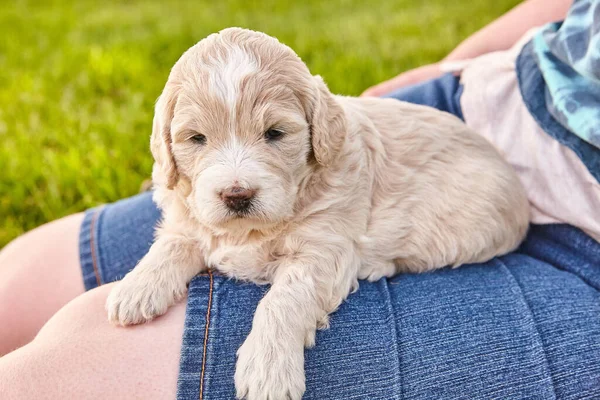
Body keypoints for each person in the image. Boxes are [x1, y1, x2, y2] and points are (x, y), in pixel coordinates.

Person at [1, 0, 599, 398]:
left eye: (274, 133)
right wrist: (450, 67)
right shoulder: (225, 164)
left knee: (76, 364)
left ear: (319, 133)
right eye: (197, 140)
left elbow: (320, 257)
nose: (234, 180)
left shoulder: (334, 169)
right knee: (19, 281)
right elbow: (186, 229)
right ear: (166, 140)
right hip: (502, 89)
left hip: (552, 226)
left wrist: (277, 332)